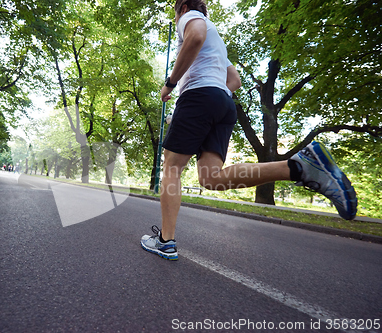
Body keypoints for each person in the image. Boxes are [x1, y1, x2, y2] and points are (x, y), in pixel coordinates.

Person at [140, 0, 357, 261]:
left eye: (176, 14)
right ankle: (297, 167)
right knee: (211, 178)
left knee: (172, 168)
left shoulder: (191, 17)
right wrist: (209, 98)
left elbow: (195, 37)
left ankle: (165, 241)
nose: (177, 20)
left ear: (183, 7)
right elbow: (234, 81)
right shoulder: (218, 44)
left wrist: (171, 84)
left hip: (199, 97)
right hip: (222, 103)